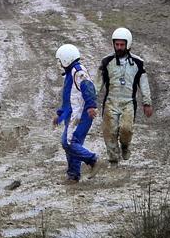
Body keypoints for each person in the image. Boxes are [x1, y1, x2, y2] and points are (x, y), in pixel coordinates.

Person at [96, 28, 153, 166]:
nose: (119, 47)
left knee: (126, 129)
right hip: (111, 102)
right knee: (109, 132)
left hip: (128, 102)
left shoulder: (138, 63)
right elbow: (97, 84)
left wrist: (147, 103)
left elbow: (144, 84)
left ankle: (125, 145)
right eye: (117, 45)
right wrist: (90, 101)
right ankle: (113, 161)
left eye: (122, 45)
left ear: (128, 45)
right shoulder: (106, 62)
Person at [53, 44, 100, 183]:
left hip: (80, 115)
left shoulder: (78, 72)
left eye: (60, 61)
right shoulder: (71, 73)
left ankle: (93, 160)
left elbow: (89, 87)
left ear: (66, 59)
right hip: (74, 114)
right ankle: (73, 175)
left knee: (68, 143)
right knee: (73, 144)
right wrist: (60, 114)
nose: (59, 64)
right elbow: (68, 97)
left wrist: (91, 106)